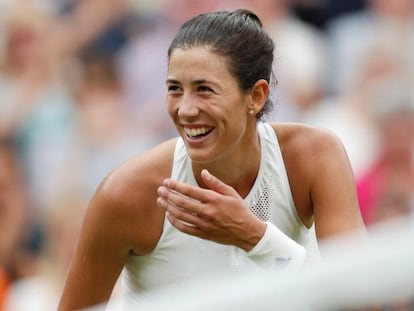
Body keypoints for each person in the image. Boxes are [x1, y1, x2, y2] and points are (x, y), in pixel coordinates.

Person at [58, 9, 364, 310]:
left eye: (204, 90)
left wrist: (253, 235)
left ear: (256, 96)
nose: (185, 109)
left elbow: (364, 302)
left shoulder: (315, 156)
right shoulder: (125, 193)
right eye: (175, 89)